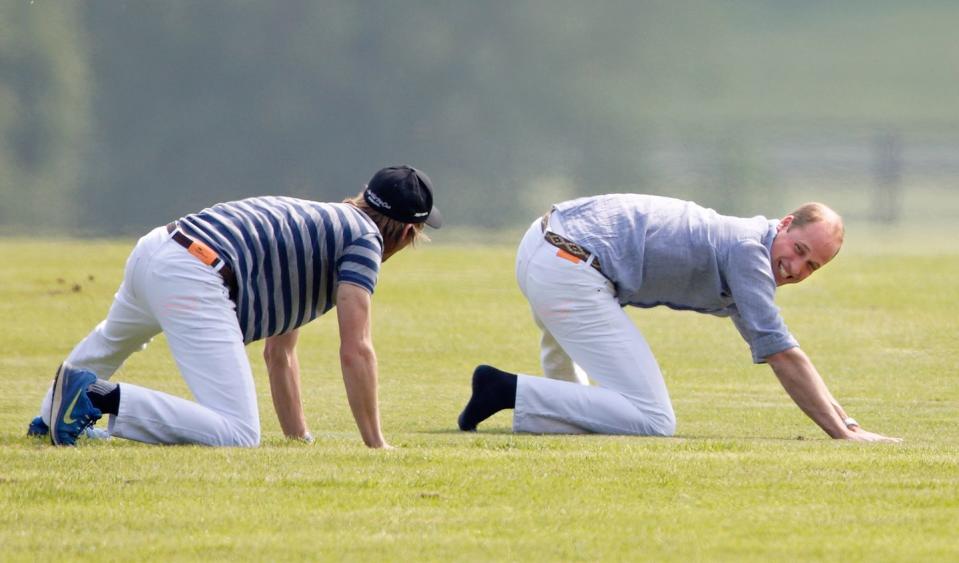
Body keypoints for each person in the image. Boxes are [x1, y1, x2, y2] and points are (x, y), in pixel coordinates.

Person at [30, 165, 441, 448]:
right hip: (198, 271)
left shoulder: (322, 224)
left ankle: (50, 414)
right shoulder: (364, 241)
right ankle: (95, 397)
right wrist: (376, 443)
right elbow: (357, 349)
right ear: (407, 232)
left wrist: (299, 439)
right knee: (239, 433)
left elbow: (280, 353)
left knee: (112, 340)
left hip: (158, 246)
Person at [458, 194, 900, 442]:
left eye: (812, 267)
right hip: (569, 263)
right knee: (653, 420)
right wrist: (842, 435)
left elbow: (778, 349)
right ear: (784, 224)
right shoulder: (749, 253)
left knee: (588, 413)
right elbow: (782, 354)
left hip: (542, 244)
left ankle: (508, 395)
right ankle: (503, 388)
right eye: (799, 251)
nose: (796, 269)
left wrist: (847, 422)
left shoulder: (750, 248)